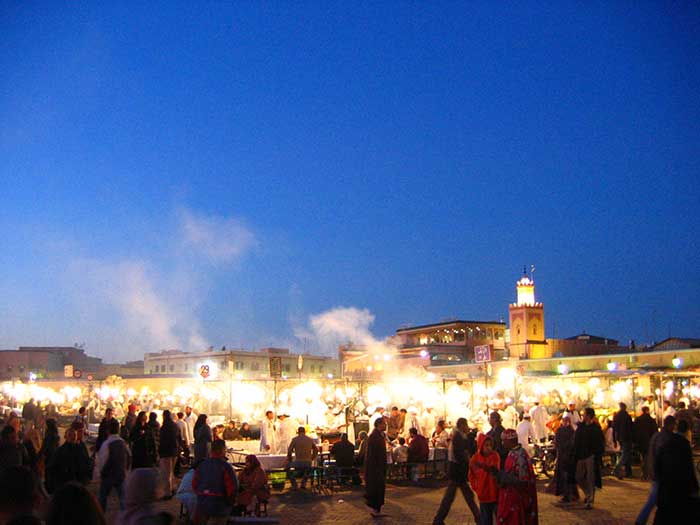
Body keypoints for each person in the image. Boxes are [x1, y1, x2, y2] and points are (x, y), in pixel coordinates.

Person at [432, 417, 480, 525]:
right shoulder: (458, 436)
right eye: (466, 425)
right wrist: (467, 461)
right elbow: (460, 453)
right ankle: (438, 519)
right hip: (457, 471)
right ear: (462, 425)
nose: (467, 427)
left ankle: (439, 519)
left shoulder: (459, 435)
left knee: (460, 497)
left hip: (457, 472)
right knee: (454, 497)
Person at [653, 419, 700, 524]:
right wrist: (694, 488)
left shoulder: (665, 441)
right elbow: (689, 469)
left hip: (666, 489)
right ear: (687, 431)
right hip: (681, 489)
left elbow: (658, 463)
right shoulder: (684, 444)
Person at [635, 415, 677, 525]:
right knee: (654, 499)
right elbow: (661, 456)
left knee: (656, 499)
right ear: (671, 425)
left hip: (656, 471)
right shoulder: (665, 438)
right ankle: (640, 520)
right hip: (659, 473)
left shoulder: (657, 436)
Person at [494, 429, 538, 525]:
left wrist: (506, 478)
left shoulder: (520, 456)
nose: (502, 443)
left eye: (503, 441)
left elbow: (523, 480)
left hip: (517, 500)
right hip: (511, 497)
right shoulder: (512, 453)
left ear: (510, 441)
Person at [193, 439, 238, 525]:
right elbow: (232, 487)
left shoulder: (201, 465)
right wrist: (231, 502)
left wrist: (201, 494)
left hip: (202, 503)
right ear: (222, 450)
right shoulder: (226, 466)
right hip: (219, 505)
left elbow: (195, 484)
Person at [97, 418, 131, 512]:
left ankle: (101, 516)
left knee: (103, 497)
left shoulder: (106, 444)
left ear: (108, 431)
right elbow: (129, 456)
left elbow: (102, 460)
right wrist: (126, 470)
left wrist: (101, 473)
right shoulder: (123, 443)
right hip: (120, 474)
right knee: (123, 499)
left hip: (108, 475)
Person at [574, 407, 604, 510]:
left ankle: (590, 499)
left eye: (584, 414)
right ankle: (587, 493)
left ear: (589, 416)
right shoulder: (581, 428)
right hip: (581, 455)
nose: (583, 416)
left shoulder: (595, 429)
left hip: (590, 455)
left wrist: (596, 454)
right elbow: (576, 440)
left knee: (590, 478)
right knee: (579, 476)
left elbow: (600, 443)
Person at [469, 434, 500, 525]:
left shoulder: (495, 456)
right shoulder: (475, 459)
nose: (489, 447)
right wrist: (476, 487)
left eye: (490, 445)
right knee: (486, 518)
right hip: (483, 494)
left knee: (498, 517)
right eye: (486, 445)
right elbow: (471, 475)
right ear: (481, 445)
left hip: (495, 492)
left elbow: (495, 470)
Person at [364, 417, 388, 517]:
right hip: (375, 468)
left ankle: (377, 509)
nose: (386, 425)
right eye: (384, 424)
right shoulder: (374, 436)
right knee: (376, 488)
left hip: (378, 467)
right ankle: (374, 508)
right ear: (379, 424)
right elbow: (373, 454)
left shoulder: (378, 435)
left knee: (379, 488)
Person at [552, 415, 578, 503]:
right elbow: (557, 443)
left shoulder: (571, 431)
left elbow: (571, 443)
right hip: (564, 457)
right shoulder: (563, 430)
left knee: (567, 477)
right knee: (565, 477)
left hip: (568, 457)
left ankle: (569, 495)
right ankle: (569, 494)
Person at [159, 410, 180, 498]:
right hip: (174, 451)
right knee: (171, 471)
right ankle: (173, 488)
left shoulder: (164, 427)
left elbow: (162, 440)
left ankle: (167, 492)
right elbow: (179, 437)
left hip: (166, 451)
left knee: (166, 473)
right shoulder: (175, 425)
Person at [634, 406, 658, 480]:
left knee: (643, 457)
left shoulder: (638, 420)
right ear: (648, 411)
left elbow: (635, 431)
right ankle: (646, 474)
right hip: (649, 441)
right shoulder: (652, 420)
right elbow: (655, 431)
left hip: (640, 442)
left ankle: (644, 473)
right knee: (647, 458)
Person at [612, 402, 634, 479]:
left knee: (624, 454)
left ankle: (628, 472)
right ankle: (617, 468)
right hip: (627, 437)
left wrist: (615, 439)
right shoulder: (627, 416)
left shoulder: (616, 416)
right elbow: (631, 428)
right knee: (625, 454)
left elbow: (614, 428)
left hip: (620, 437)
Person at [40, 419, 60, 492]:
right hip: (53, 454)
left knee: (48, 471)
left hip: (49, 455)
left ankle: (49, 487)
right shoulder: (55, 433)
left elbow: (45, 446)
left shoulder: (49, 434)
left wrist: (41, 454)